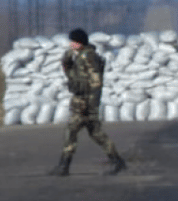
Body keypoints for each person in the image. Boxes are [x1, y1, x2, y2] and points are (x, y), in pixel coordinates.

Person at [48, 28, 127, 176]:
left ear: (80, 42)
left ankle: (64, 166)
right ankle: (118, 161)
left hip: (86, 103)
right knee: (96, 134)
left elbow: (96, 82)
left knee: (71, 132)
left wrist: (91, 105)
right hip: (81, 100)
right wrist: (67, 58)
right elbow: (72, 75)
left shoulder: (88, 57)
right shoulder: (79, 56)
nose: (71, 44)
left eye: (74, 41)